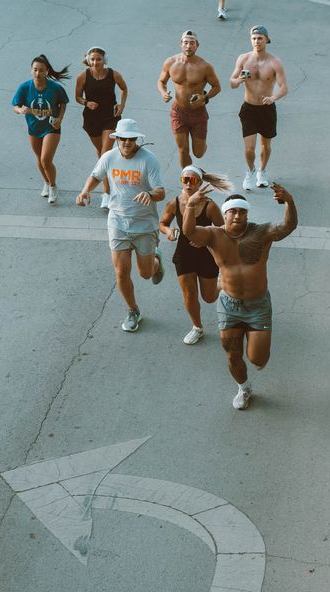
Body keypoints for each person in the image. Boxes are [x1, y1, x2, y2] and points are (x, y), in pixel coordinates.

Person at [183, 182, 297, 410]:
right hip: (229, 304)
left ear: (247, 214)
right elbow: (189, 232)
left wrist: (290, 201)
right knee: (232, 353)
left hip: (258, 304)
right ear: (224, 215)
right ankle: (244, 389)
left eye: (242, 211)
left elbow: (288, 226)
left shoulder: (261, 232)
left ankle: (257, 351)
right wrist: (190, 207)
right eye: (232, 211)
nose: (237, 215)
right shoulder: (214, 235)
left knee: (257, 359)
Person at [76, 119, 165, 332]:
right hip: (117, 222)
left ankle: (155, 261)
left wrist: (150, 194)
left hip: (144, 224)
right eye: (123, 139)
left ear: (136, 140)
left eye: (131, 139)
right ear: (117, 139)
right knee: (121, 273)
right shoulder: (109, 157)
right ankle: (133, 310)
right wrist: (85, 190)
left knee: (145, 273)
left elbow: (161, 191)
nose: (127, 143)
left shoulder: (149, 160)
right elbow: (96, 175)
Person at [159, 165, 232, 344]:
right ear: (181, 181)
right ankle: (197, 327)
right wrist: (168, 231)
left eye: (192, 180)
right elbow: (162, 223)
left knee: (209, 297)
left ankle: (223, 282)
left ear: (199, 183)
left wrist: (206, 239)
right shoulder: (174, 203)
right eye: (185, 180)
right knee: (189, 293)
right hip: (184, 254)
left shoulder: (210, 206)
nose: (188, 184)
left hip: (206, 254)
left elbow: (223, 231)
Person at [230, 26, 288, 191]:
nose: (257, 41)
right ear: (251, 40)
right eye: (254, 38)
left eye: (260, 38)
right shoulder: (243, 58)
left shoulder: (274, 62)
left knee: (266, 145)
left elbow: (284, 87)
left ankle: (262, 171)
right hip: (248, 109)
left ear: (267, 40)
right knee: (249, 148)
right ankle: (250, 171)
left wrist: (273, 97)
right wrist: (239, 79)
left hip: (266, 109)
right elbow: (232, 83)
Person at [157, 30, 221, 167]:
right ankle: (188, 181)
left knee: (198, 153)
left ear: (197, 46)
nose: (188, 46)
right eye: (185, 42)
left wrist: (204, 97)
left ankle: (202, 146)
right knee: (183, 150)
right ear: (181, 44)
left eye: (192, 43)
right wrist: (163, 93)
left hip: (198, 113)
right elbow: (161, 81)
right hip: (178, 112)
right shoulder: (170, 62)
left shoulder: (205, 66)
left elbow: (217, 87)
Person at [12, 54, 70, 205]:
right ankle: (46, 182)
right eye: (35, 70)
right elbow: (15, 105)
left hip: (52, 128)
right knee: (40, 160)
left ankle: (53, 187)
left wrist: (60, 118)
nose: (38, 73)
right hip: (34, 128)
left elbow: (63, 102)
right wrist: (20, 110)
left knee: (45, 159)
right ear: (31, 70)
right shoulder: (25, 87)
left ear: (47, 71)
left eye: (41, 70)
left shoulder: (55, 88)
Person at [75, 46, 128, 210]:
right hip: (92, 119)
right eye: (93, 59)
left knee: (105, 154)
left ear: (104, 60)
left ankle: (107, 193)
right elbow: (77, 97)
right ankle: (109, 188)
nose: (96, 62)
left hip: (110, 118)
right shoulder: (83, 76)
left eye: (99, 59)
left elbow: (124, 88)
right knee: (102, 156)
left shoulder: (113, 74)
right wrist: (86, 103)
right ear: (88, 60)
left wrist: (122, 105)